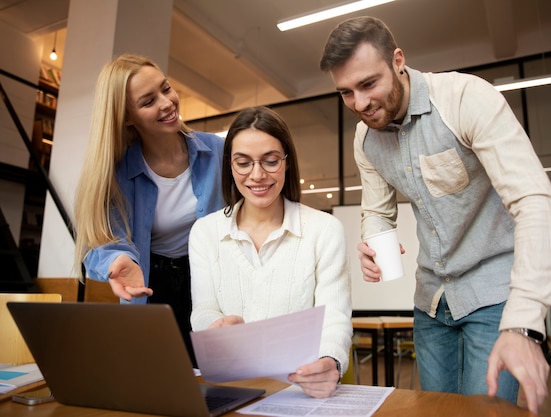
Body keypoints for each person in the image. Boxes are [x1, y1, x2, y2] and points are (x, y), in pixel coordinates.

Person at [319, 16, 551, 414]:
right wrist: (374, 239)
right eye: (345, 92)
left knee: (486, 412)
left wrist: (523, 324)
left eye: (368, 84)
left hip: (494, 295)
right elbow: (377, 210)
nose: (360, 104)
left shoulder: (465, 98)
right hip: (431, 301)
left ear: (398, 60)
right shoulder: (365, 140)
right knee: (434, 412)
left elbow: (537, 202)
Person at [189, 106, 352, 398]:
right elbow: (203, 309)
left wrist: (331, 361)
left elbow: (334, 316)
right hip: (233, 388)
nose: (257, 175)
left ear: (287, 162)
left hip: (300, 390)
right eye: (243, 163)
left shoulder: (324, 229)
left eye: (271, 161)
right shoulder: (205, 232)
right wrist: (216, 326)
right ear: (229, 165)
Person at [73, 54, 224, 365]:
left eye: (166, 89)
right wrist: (119, 259)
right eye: (148, 101)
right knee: (160, 379)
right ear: (128, 117)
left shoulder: (219, 151)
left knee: (220, 378)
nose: (167, 103)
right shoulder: (117, 173)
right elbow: (101, 239)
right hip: (152, 284)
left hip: (211, 282)